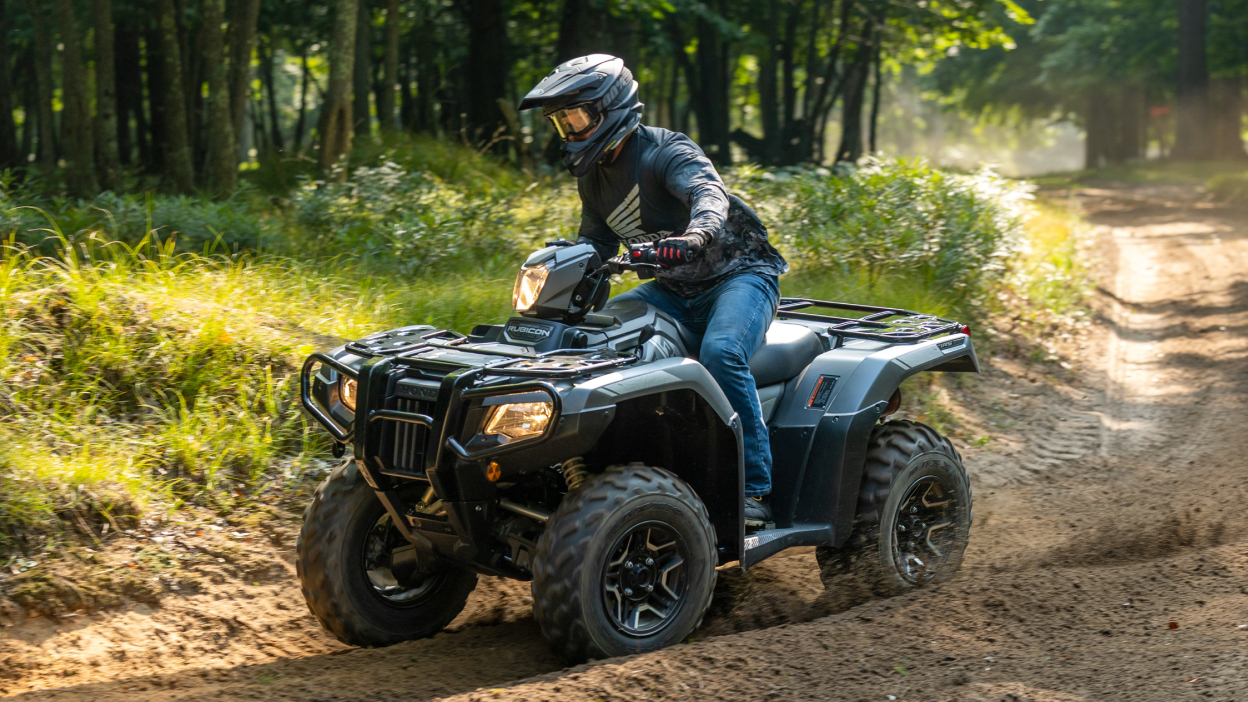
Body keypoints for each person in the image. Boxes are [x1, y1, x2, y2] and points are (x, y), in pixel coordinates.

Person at [519, 54, 789, 526]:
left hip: (739, 276)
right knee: (597, 338)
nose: (569, 130)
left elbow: (710, 195)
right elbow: (597, 244)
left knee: (723, 351)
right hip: (672, 289)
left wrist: (696, 235)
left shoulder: (666, 151)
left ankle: (756, 489)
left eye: (576, 117)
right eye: (561, 122)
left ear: (610, 108)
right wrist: (568, 268)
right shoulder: (595, 177)